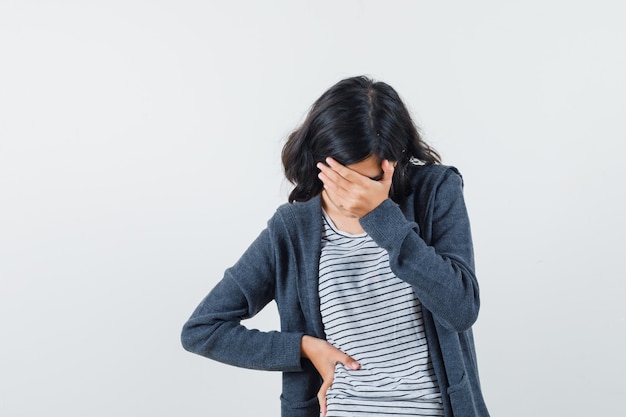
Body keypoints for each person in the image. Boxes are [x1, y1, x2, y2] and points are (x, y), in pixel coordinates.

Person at [181, 76, 490, 417]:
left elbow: (461, 310)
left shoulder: (435, 192)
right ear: (320, 161)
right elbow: (203, 329)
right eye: (342, 178)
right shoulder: (292, 229)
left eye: (369, 181)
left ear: (395, 162)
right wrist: (302, 347)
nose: (353, 194)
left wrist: (381, 217)